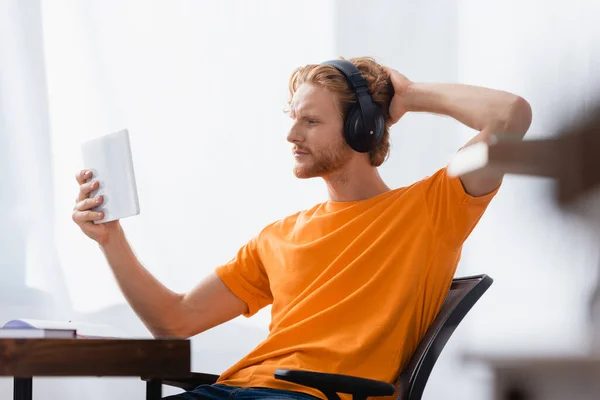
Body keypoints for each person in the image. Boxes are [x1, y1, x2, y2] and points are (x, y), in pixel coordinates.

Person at [72, 57, 532, 400]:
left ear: (362, 130)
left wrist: (408, 95)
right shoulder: (278, 237)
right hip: (231, 391)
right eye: (293, 119)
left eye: (311, 121)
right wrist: (110, 238)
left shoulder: (433, 208)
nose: (292, 135)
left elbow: (511, 117)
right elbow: (173, 321)